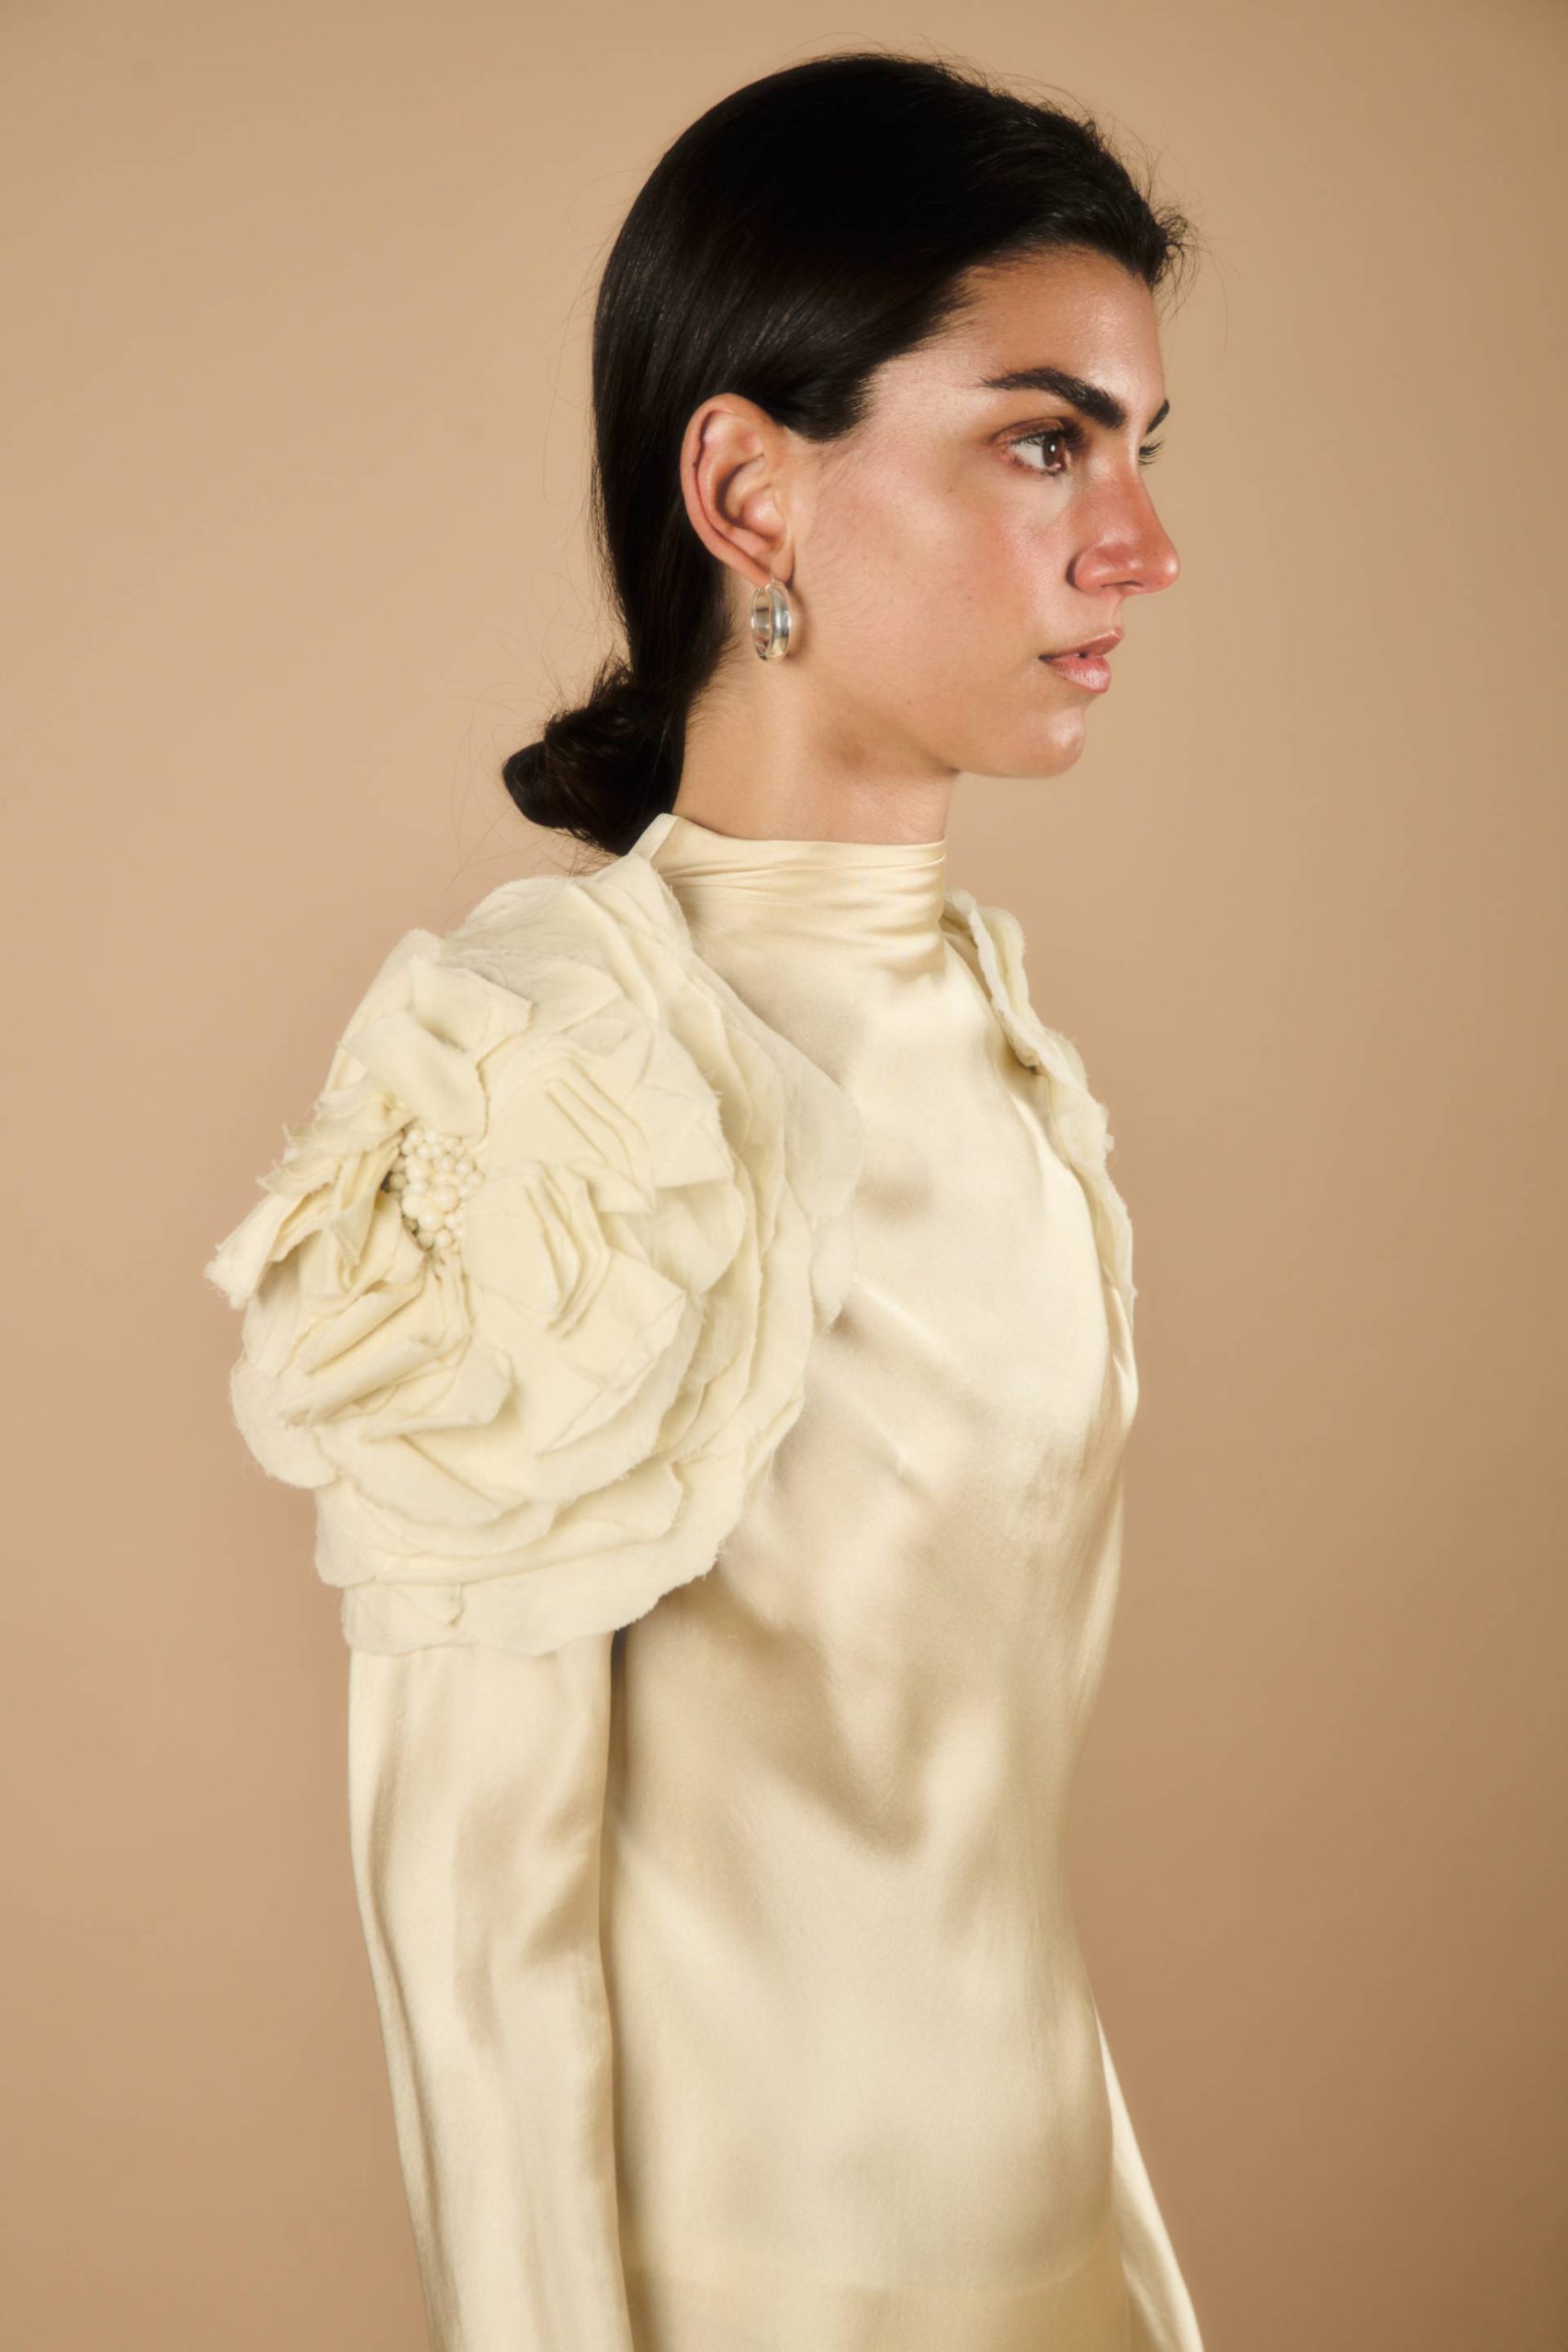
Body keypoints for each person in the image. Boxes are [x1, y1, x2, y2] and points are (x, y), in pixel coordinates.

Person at [204, 46, 1205, 2352]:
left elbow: (975, 1845)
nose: (1138, 544)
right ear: (749, 490)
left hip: (1050, 2254)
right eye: (1042, 441)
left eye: (1143, 449)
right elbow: (474, 1928)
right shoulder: (551, 1076)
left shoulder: (994, 1029)